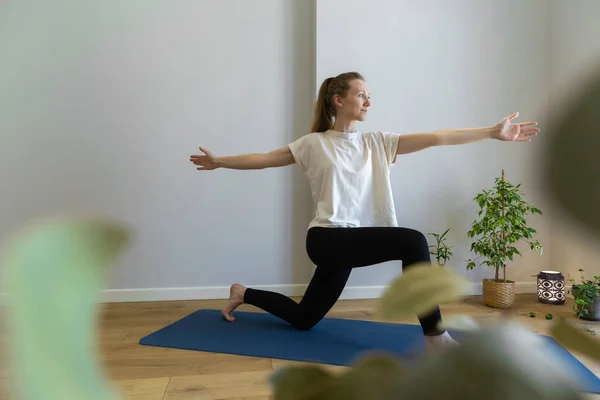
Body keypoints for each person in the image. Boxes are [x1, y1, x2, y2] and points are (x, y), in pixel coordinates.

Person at [189, 72, 539, 351]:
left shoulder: (377, 143)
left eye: (369, 95)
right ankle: (435, 337)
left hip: (350, 242)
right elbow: (264, 160)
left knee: (304, 318)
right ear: (338, 100)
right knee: (412, 242)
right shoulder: (314, 144)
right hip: (326, 239)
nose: (368, 100)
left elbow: (438, 137)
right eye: (361, 94)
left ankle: (242, 293)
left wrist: (492, 132)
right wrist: (220, 161)